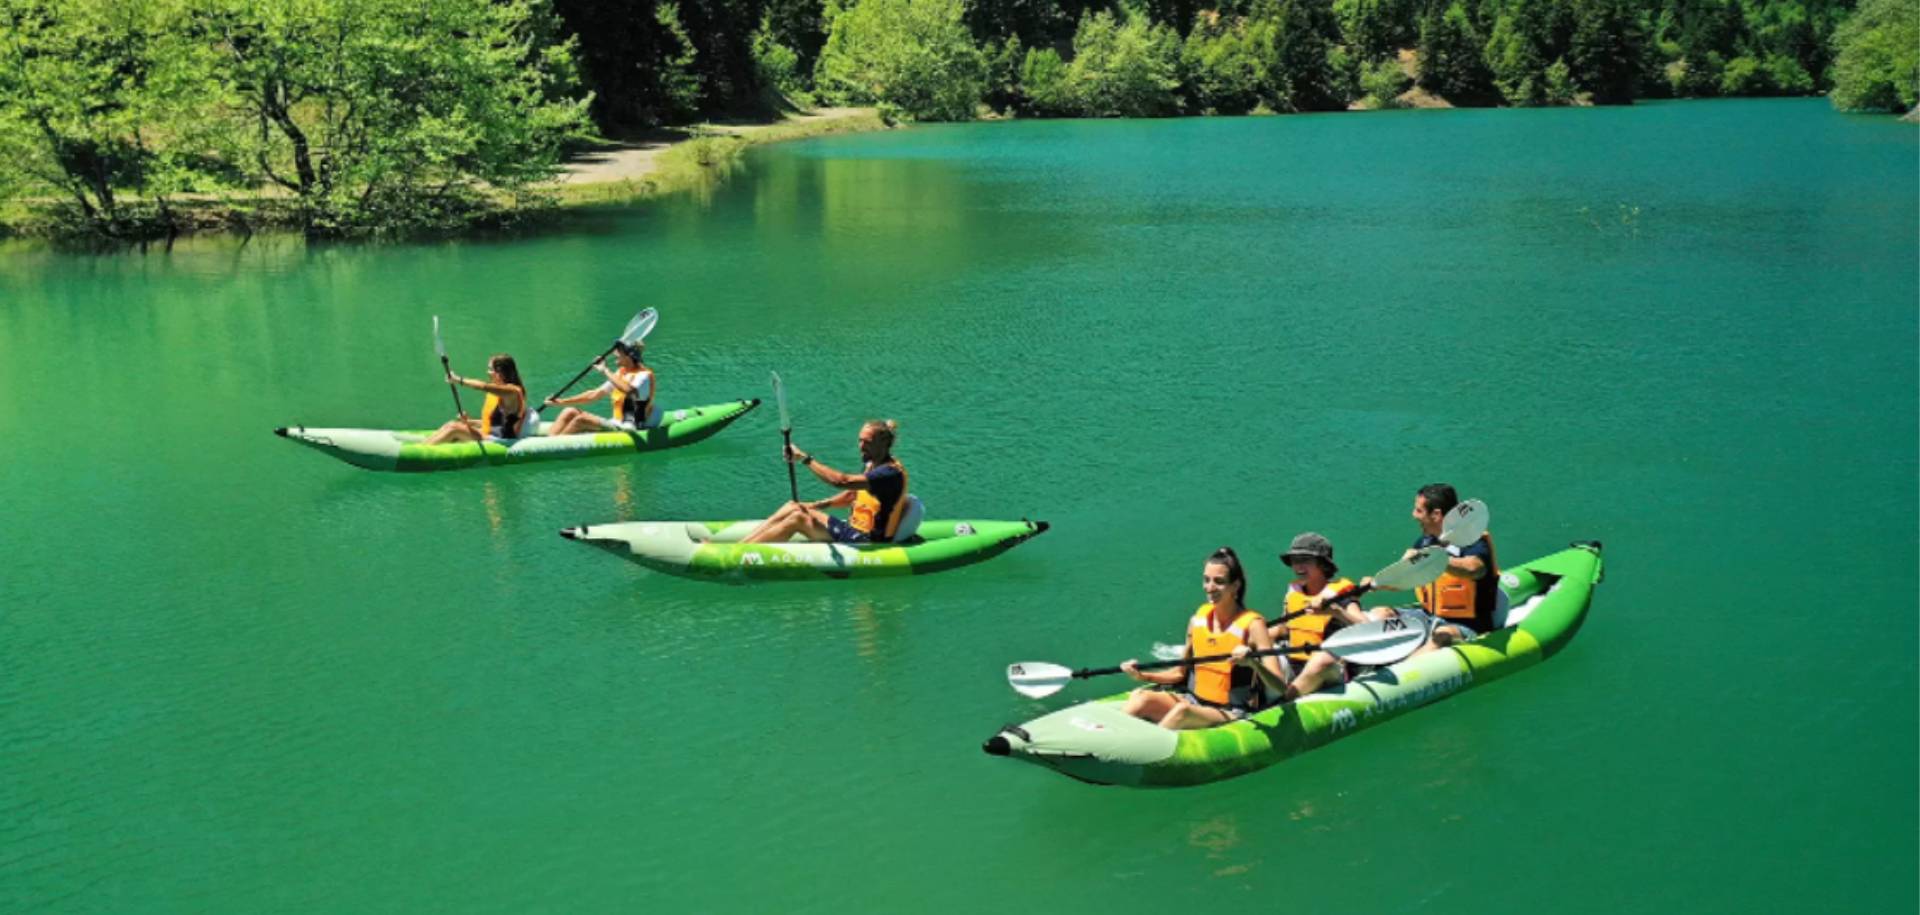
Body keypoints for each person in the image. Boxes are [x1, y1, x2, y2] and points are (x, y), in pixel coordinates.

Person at [1117, 548, 1291, 730]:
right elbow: (1179, 673)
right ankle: (1106, 740)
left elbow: (1280, 687)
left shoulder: (1254, 625)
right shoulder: (1196, 621)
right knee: (1141, 697)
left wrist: (1253, 663)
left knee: (1182, 711)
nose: (1209, 587)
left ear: (1235, 586)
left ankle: (1143, 752)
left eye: (1219, 581)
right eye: (1206, 580)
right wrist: (1142, 675)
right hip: (1193, 700)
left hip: (1230, 711)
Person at [741, 420, 910, 544]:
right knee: (794, 506)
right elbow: (852, 494)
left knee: (798, 518)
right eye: (860, 440)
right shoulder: (871, 464)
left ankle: (739, 556)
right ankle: (740, 547)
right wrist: (816, 505)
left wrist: (806, 459)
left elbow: (841, 481)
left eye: (867, 442)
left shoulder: (889, 473)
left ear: (884, 444)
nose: (861, 446)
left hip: (867, 540)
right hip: (851, 529)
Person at [1376, 483, 1501, 645]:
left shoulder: (1473, 540)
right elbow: (1404, 577)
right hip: (1428, 616)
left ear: (1436, 514)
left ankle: (1411, 667)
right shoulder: (1425, 542)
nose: (1414, 515)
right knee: (1379, 615)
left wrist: (1433, 559)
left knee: (1441, 635)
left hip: (1467, 625)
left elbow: (1474, 568)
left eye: (1419, 510)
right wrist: (1376, 584)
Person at [1275, 532, 1371, 700]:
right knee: (1261, 653)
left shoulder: (1340, 594)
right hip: (1294, 663)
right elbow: (1283, 629)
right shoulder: (1294, 591)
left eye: (1305, 560)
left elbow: (1367, 628)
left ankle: (1283, 703)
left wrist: (1336, 611)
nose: (1298, 567)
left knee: (1321, 660)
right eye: (1295, 561)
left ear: (1323, 565)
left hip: (1332, 668)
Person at [543, 341, 657, 436]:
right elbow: (594, 394)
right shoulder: (621, 373)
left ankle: (552, 447)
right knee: (569, 411)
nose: (614, 353)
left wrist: (605, 370)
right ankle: (546, 444)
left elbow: (630, 391)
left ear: (628, 356)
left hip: (629, 428)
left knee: (581, 419)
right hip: (615, 423)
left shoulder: (644, 376)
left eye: (618, 351)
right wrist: (561, 402)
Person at [425, 353, 527, 445]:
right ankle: (420, 447)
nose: (487, 372)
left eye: (490, 369)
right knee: (450, 425)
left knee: (454, 429)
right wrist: (469, 421)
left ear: (500, 372)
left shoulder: (513, 391)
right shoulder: (497, 392)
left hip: (501, 440)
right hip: (488, 436)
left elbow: (483, 386)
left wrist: (458, 379)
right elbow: (491, 424)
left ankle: (422, 451)